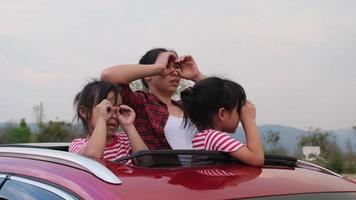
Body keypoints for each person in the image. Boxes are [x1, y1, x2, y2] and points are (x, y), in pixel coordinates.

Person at [101, 48, 205, 150]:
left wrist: (196, 76)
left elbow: (218, 99)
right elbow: (107, 76)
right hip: (159, 167)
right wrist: (158, 67)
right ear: (147, 75)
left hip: (203, 167)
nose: (175, 72)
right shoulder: (141, 102)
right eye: (167, 66)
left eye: (176, 67)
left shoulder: (187, 106)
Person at [180, 77, 264, 166]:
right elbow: (257, 158)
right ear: (222, 114)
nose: (241, 116)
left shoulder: (203, 137)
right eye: (238, 110)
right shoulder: (213, 137)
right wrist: (249, 120)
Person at [69, 80, 148, 162]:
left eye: (118, 110)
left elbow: (146, 160)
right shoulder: (78, 145)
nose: (114, 116)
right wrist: (102, 119)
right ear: (84, 112)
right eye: (107, 109)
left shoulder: (125, 140)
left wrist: (129, 126)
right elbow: (92, 156)